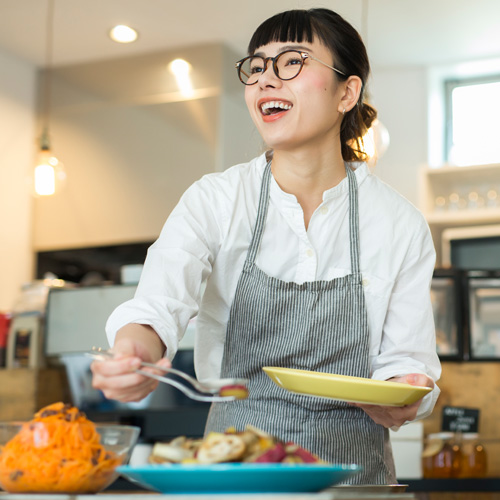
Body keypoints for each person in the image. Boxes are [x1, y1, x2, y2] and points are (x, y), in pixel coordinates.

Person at [91, 8, 441, 484]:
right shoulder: (214, 200)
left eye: (292, 61)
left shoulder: (399, 224)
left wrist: (404, 393)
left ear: (347, 92)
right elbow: (157, 303)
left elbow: (406, 362)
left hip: (357, 484)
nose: (265, 80)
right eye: (256, 66)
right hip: (234, 478)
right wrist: (132, 353)